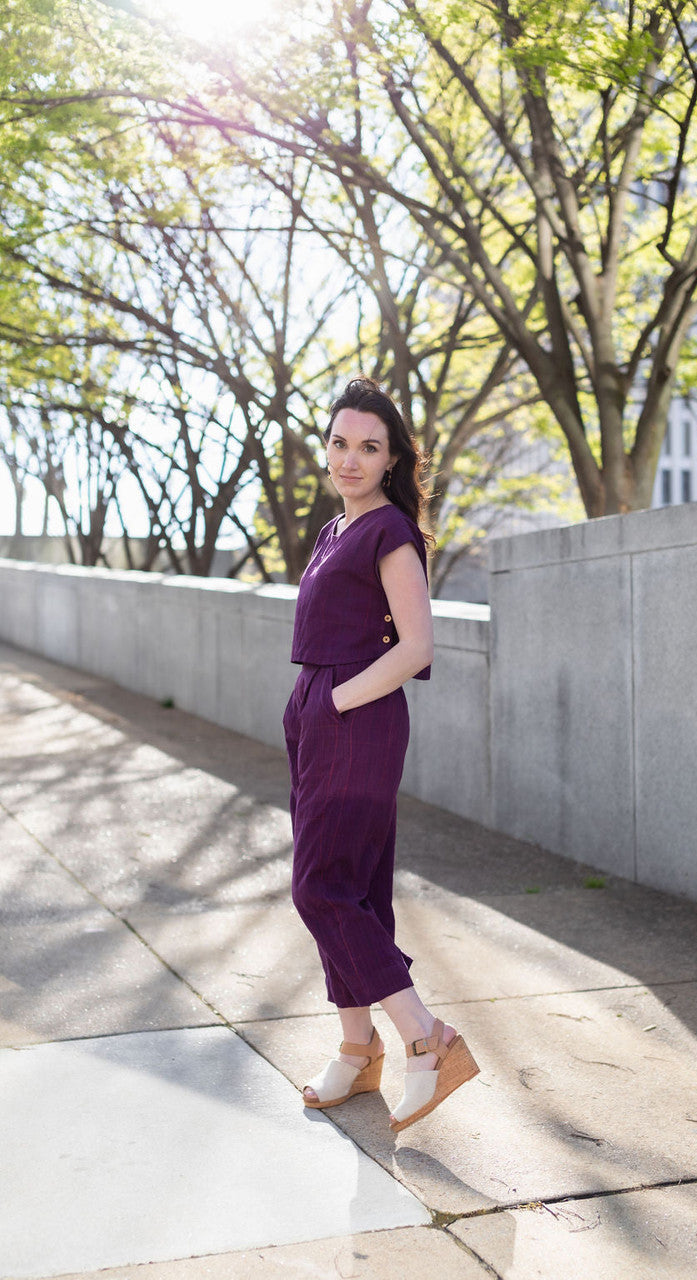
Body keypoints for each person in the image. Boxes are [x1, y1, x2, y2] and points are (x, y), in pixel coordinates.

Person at [283, 377, 479, 1133]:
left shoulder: (388, 531)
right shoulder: (338, 530)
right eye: (339, 443)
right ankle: (357, 1049)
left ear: (392, 458)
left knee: (321, 890)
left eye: (368, 447)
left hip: (353, 720)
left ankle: (426, 1039)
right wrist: (311, 708)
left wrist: (331, 705)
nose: (350, 459)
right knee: (353, 890)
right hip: (320, 714)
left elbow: (418, 647)